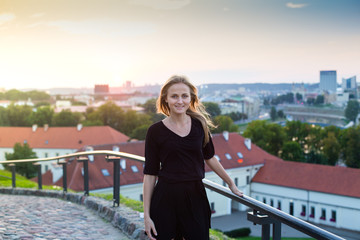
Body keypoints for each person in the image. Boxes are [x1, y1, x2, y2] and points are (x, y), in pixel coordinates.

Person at [143, 75, 243, 240]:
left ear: (191, 99)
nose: (179, 101)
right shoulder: (155, 131)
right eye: (174, 96)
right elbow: (150, 173)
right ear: (166, 99)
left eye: (184, 96)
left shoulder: (200, 125)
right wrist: (147, 216)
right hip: (165, 198)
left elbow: (210, 158)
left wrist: (231, 184)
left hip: (195, 196)